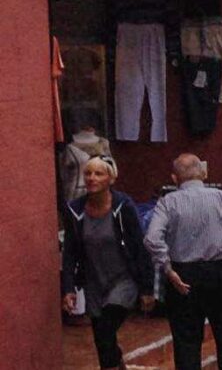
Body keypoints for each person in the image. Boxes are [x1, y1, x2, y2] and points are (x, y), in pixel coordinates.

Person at [144, 154, 222, 370]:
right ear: (203, 174)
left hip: (183, 275)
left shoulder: (168, 202)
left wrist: (167, 268)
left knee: (186, 343)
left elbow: (152, 239)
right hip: (221, 274)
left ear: (174, 178)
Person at [61, 155, 155, 370]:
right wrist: (69, 289)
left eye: (98, 173)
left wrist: (147, 288)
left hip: (123, 280)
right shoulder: (75, 210)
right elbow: (70, 252)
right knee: (102, 341)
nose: (92, 178)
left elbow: (139, 248)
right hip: (94, 283)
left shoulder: (123, 207)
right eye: (88, 173)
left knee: (105, 330)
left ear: (111, 179)